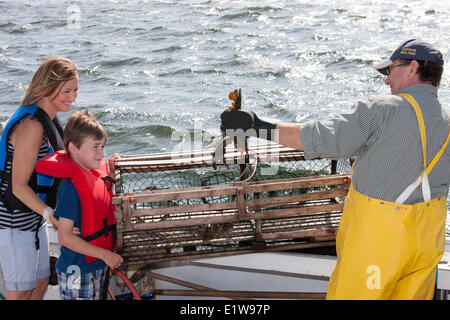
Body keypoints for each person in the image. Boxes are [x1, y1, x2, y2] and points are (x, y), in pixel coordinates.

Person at [219, 39, 449, 299]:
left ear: (413, 67)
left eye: (390, 70)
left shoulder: (381, 110)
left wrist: (257, 125)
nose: (386, 81)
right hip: (428, 242)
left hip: (381, 244)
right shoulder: (446, 120)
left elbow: (324, 139)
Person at [0, 56, 78, 300]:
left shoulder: (49, 118)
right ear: (47, 88)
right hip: (13, 219)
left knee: (42, 280)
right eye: (66, 91)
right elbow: (19, 187)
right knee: (20, 290)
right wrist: (51, 215)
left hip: (33, 217)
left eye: (75, 90)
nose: (73, 97)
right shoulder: (32, 126)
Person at [35, 109, 123, 300]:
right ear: (73, 148)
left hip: (97, 264)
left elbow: (100, 199)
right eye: (96, 147)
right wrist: (105, 254)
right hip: (78, 269)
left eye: (103, 147)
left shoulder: (93, 176)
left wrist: (112, 170)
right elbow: (65, 237)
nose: (101, 153)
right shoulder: (71, 188)